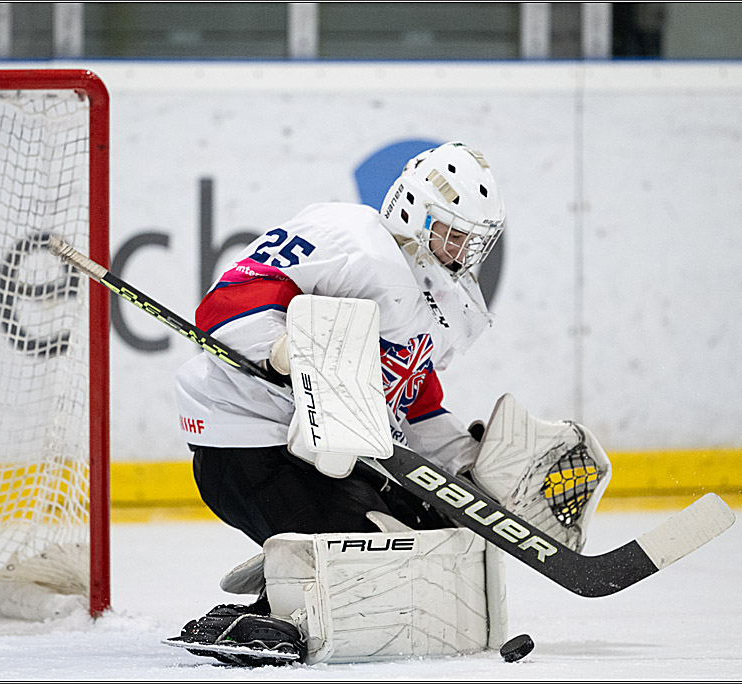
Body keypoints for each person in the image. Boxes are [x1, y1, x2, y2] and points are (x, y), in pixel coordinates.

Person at [169, 141, 507, 666]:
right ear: (416, 213)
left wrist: (466, 462)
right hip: (247, 443)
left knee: (428, 532)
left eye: (473, 242)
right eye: (455, 235)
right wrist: (282, 348)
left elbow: (411, 402)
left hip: (319, 455)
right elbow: (223, 306)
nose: (465, 253)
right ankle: (279, 607)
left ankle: (292, 571)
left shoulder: (439, 304)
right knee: (366, 552)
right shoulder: (353, 240)